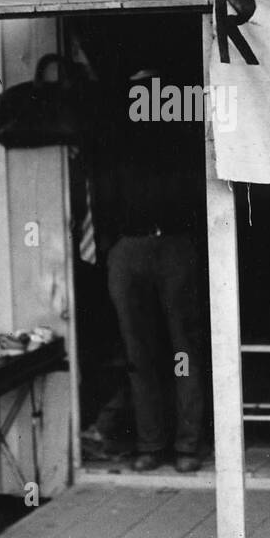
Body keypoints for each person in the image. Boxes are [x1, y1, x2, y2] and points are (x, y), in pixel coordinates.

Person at [98, 67, 209, 474]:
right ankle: (151, 444)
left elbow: (201, 190)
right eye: (135, 93)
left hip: (175, 244)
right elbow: (102, 194)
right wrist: (114, 246)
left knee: (184, 350)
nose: (142, 102)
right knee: (139, 353)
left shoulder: (181, 138)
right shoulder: (114, 139)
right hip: (129, 247)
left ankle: (187, 447)